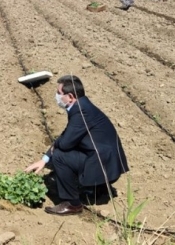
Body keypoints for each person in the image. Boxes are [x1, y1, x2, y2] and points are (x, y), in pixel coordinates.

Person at [25, 75, 129, 215]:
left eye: (59, 93)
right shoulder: (83, 105)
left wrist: (51, 154)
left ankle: (72, 204)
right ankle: (98, 189)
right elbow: (67, 135)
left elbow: (65, 143)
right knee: (69, 149)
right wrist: (44, 159)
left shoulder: (81, 111)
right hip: (108, 162)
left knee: (60, 156)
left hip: (104, 165)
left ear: (70, 96)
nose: (56, 96)